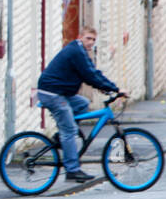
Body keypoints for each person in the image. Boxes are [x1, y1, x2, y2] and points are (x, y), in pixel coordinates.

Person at [36, 26, 125, 183]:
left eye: (93, 40)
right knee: (69, 130)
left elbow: (93, 73)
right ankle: (72, 170)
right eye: (88, 38)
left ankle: (61, 138)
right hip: (52, 93)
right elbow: (89, 75)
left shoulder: (80, 52)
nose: (91, 42)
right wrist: (115, 89)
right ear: (79, 37)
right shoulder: (76, 52)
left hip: (60, 92)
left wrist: (106, 88)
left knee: (82, 103)